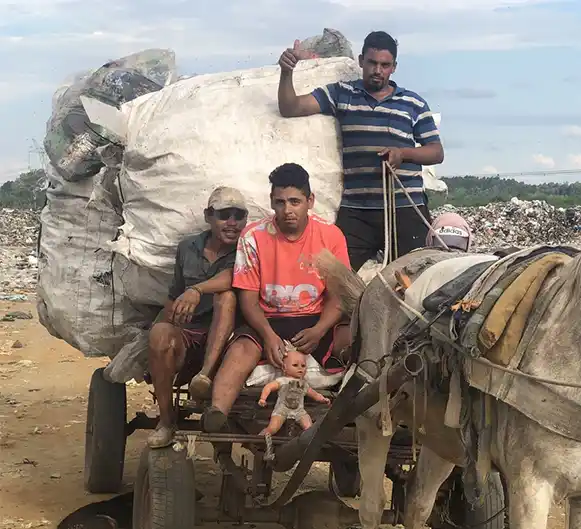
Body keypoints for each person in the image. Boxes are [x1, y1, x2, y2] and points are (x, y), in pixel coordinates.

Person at [277, 30, 444, 271]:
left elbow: (436, 152)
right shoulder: (341, 93)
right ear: (360, 61)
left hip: (405, 208)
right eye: (372, 63)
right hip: (358, 210)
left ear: (394, 67)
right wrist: (286, 72)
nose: (378, 70)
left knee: (415, 278)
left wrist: (403, 154)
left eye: (385, 65)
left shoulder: (413, 103)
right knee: (335, 277)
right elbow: (290, 107)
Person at [203, 163, 351, 433]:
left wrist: (319, 330)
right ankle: (217, 414)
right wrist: (269, 336)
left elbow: (339, 297)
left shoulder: (330, 236)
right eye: (280, 202)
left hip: (314, 319)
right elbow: (247, 299)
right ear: (272, 202)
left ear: (310, 201)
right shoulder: (254, 236)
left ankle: (358, 414)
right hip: (268, 318)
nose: (287, 210)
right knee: (241, 351)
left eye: (295, 201)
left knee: (354, 341)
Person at [146, 186, 249, 448]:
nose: (233, 223)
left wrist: (197, 290)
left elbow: (232, 278)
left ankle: (204, 376)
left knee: (226, 297)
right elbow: (174, 294)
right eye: (225, 215)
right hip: (189, 332)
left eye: (239, 216)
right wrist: (163, 334)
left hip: (229, 339)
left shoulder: (247, 249)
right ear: (208, 216)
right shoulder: (187, 248)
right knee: (159, 334)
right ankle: (167, 421)